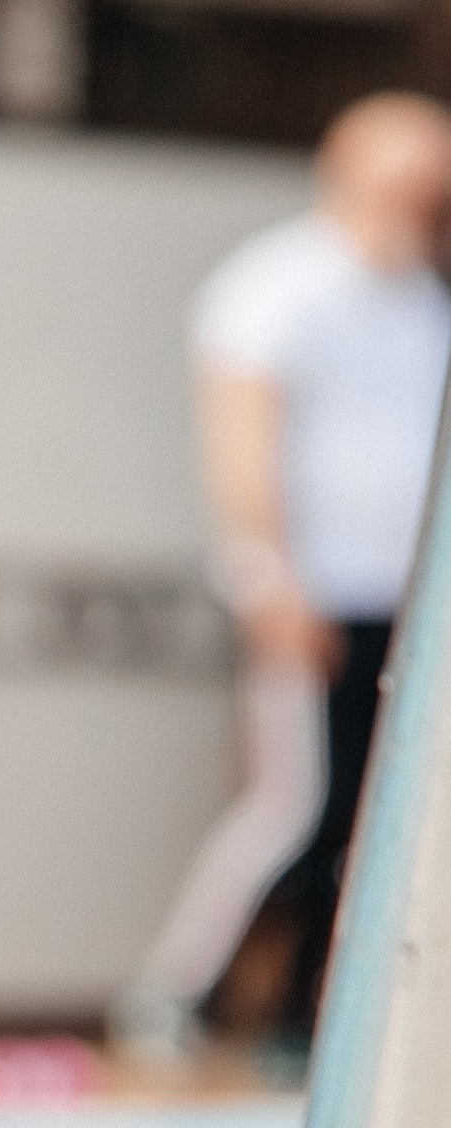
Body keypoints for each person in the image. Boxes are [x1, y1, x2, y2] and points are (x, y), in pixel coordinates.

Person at [118, 95, 451, 1071]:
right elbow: (240, 444)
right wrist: (268, 578)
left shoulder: (423, 299)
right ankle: (177, 994)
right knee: (291, 806)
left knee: (368, 819)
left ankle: (310, 1020)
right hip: (310, 599)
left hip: (403, 611)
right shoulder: (277, 286)